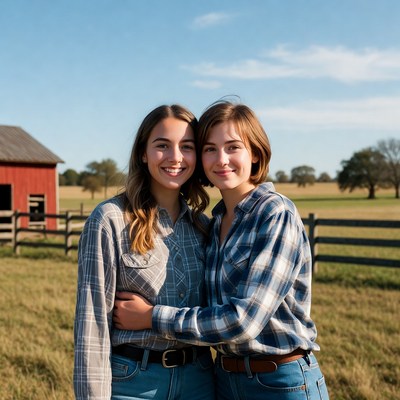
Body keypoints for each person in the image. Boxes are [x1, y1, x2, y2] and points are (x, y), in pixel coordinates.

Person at [113, 100, 330, 400]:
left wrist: (151, 317)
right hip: (224, 380)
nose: (221, 159)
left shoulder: (275, 214)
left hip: (279, 380)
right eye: (210, 149)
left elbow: (243, 321)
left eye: (232, 147)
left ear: (255, 154)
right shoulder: (212, 225)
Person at [73, 104, 216, 400]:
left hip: (200, 381)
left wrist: (151, 316)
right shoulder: (110, 219)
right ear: (143, 152)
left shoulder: (205, 228)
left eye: (186, 147)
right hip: (134, 382)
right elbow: (92, 324)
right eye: (162, 145)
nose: (175, 157)